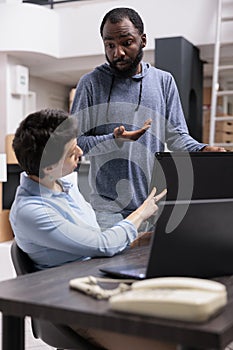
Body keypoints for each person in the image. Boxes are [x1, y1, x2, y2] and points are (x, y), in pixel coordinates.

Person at [9, 108, 173, 350]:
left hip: (98, 283)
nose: (81, 152)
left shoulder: (63, 185)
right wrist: (142, 212)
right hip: (74, 307)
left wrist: (138, 239)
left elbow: (93, 239)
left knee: (179, 317)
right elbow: (103, 245)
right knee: (170, 344)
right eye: (71, 151)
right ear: (47, 167)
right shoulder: (31, 211)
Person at [71, 7, 225, 230]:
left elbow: (176, 137)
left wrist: (201, 149)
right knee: (108, 265)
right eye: (110, 45)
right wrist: (114, 140)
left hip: (153, 204)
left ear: (142, 40)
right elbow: (76, 145)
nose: (118, 53)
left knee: (152, 264)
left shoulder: (163, 82)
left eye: (126, 42)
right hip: (107, 210)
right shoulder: (91, 83)